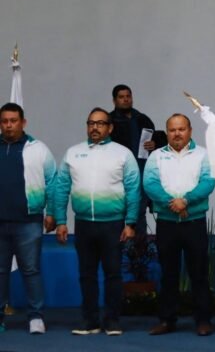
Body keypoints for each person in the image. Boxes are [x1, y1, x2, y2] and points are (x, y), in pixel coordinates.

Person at [54, 107, 139, 336]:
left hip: (113, 224)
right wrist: (61, 221)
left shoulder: (123, 154)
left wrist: (130, 222)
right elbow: (61, 188)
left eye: (100, 123)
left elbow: (133, 189)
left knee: (113, 274)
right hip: (83, 224)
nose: (95, 127)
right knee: (86, 275)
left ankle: (112, 321)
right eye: (91, 123)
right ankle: (90, 321)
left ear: (110, 127)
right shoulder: (73, 153)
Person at [145, 114, 215, 336]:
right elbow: (150, 184)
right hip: (167, 223)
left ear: (190, 130)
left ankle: (203, 320)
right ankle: (167, 320)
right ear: (167, 132)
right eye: (172, 130)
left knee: (199, 273)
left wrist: (185, 201)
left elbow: (208, 182)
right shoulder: (156, 156)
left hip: (194, 222)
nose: (177, 133)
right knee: (168, 273)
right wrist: (173, 204)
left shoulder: (203, 155)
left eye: (181, 129)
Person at [0, 103, 56, 334]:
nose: (9, 125)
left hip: (29, 221)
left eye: (13, 120)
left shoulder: (38, 149)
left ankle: (36, 317)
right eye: (4, 121)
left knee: (31, 270)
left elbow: (52, 182)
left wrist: (52, 212)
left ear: (23, 122)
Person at [109, 84, 160, 232]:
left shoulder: (143, 119)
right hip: (117, 175)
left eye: (128, 96)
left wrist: (155, 144)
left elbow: (157, 140)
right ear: (114, 100)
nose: (126, 99)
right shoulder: (109, 122)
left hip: (141, 172)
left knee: (139, 212)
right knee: (117, 212)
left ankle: (139, 245)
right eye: (121, 97)